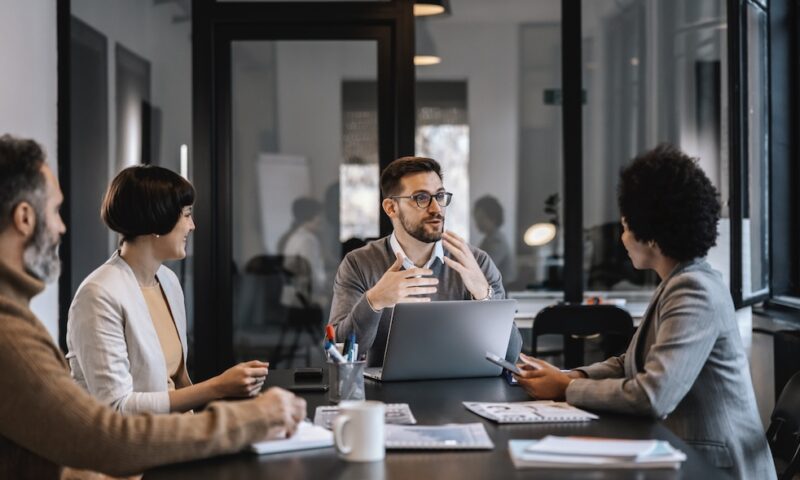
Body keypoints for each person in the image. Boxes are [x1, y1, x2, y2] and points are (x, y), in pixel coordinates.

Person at [0, 134, 305, 478]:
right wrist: (244, 415)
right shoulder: (24, 325)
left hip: (165, 453)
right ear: (24, 218)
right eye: (54, 210)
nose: (61, 226)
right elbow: (107, 431)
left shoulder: (168, 282)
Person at [513, 144, 775, 479]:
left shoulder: (693, 289)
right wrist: (570, 376)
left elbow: (654, 395)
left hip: (717, 469)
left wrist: (565, 389)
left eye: (625, 226)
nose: (622, 238)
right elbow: (630, 362)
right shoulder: (676, 281)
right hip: (684, 455)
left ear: (650, 234)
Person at [66, 165, 270, 414]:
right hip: (132, 446)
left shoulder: (168, 280)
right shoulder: (97, 295)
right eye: (186, 215)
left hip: (174, 434)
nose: (192, 225)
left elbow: (176, 382)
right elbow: (117, 407)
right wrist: (218, 387)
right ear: (157, 219)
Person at [328, 156, 522, 366]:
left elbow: (510, 357)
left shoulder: (477, 263)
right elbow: (338, 354)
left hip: (460, 391)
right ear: (391, 208)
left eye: (439, 196)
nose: (436, 208)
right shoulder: (358, 264)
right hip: (384, 394)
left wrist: (483, 294)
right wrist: (374, 301)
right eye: (421, 198)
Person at [473, 195, 516, 283]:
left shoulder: (497, 241)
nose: (478, 222)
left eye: (481, 218)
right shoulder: (488, 239)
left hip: (502, 292)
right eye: (476, 218)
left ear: (493, 219)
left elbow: (483, 269)